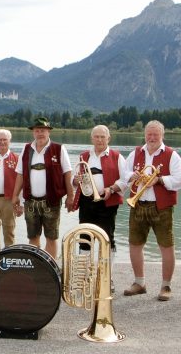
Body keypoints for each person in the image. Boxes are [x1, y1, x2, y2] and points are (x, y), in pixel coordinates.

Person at [123, 120, 181, 301]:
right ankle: (139, 283)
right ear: (145, 134)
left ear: (162, 135)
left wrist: (159, 180)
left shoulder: (172, 155)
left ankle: (166, 286)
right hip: (138, 204)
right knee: (135, 244)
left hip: (161, 207)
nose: (152, 137)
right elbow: (124, 173)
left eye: (156, 134)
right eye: (149, 134)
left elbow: (179, 179)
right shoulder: (135, 153)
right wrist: (133, 176)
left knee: (166, 246)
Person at [72, 125, 127, 292]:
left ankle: (107, 278)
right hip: (87, 202)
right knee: (84, 239)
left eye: (103, 137)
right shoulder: (83, 156)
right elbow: (74, 180)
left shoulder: (117, 157)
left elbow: (125, 180)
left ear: (108, 138)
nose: (99, 140)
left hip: (107, 203)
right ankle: (83, 277)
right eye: (96, 137)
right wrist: (75, 181)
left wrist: (111, 189)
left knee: (107, 239)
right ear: (92, 138)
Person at [12, 117, 74, 259]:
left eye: (43, 130)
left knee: (51, 237)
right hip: (30, 201)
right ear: (33, 132)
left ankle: (50, 265)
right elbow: (20, 173)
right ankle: (37, 265)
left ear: (48, 132)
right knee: (33, 236)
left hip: (51, 201)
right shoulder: (26, 149)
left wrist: (70, 196)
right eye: (37, 130)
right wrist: (15, 195)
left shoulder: (59, 149)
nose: (40, 133)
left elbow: (67, 173)